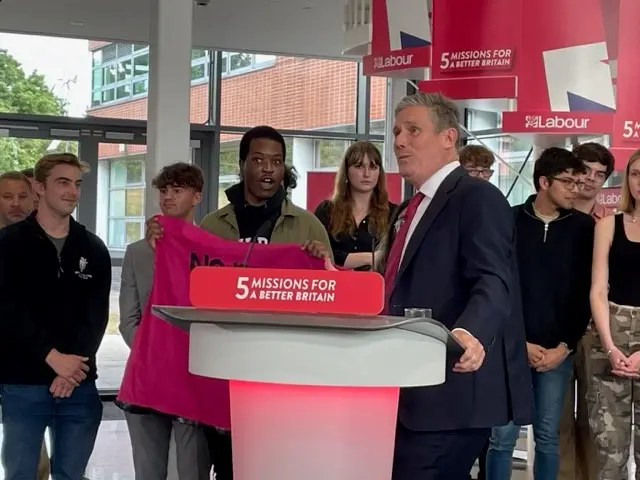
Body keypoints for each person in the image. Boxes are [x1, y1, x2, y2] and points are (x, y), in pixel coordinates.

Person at [145, 125, 333, 476]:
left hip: (285, 374)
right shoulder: (213, 226)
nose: (268, 169)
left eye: (276, 162)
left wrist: (324, 263)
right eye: (259, 160)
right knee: (229, 466)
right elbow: (189, 290)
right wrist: (163, 238)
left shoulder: (307, 227)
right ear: (243, 163)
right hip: (227, 374)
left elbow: (330, 296)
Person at [378, 92, 531, 480]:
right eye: (397, 131)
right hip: (411, 393)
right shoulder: (411, 207)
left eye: (413, 130)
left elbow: (493, 279)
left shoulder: (476, 197)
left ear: (449, 138)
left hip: (450, 394)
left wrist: (470, 331)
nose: (399, 141)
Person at [0, 153, 111, 480]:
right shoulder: (8, 245)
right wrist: (51, 357)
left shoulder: (93, 248)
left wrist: (71, 368)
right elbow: (7, 312)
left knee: (71, 475)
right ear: (38, 187)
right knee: (21, 473)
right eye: (63, 182)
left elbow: (96, 319)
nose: (72, 191)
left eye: (77, 184)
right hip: (23, 384)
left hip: (79, 386)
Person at [486, 148, 595, 480]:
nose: (575, 189)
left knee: (548, 437)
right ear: (544, 182)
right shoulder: (511, 220)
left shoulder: (584, 227)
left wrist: (564, 346)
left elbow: (583, 295)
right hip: (510, 349)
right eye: (568, 182)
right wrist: (517, 343)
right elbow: (498, 286)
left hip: (557, 352)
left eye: (579, 182)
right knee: (501, 438)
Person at [119, 163, 212, 480]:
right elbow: (128, 317)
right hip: (147, 374)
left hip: (192, 374)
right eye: (163, 191)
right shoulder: (137, 252)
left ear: (196, 196)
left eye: (177, 190)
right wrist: (152, 350)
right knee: (147, 470)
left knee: (192, 468)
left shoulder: (209, 250)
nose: (168, 197)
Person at [558, 142, 614, 480]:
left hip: (597, 331)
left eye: (599, 174)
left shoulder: (607, 225)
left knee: (596, 419)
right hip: (557, 331)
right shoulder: (552, 220)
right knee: (558, 419)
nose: (590, 180)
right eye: (584, 170)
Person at [588, 149, 640, 479]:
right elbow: (597, 289)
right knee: (609, 447)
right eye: (635, 174)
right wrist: (610, 346)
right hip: (610, 333)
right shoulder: (609, 224)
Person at [458, 143, 497, 480]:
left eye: (486, 172)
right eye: (475, 172)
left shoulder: (494, 209)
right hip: (457, 329)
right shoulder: (452, 208)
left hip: (485, 330)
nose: (482, 178)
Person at [314, 141, 397, 270]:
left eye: (373, 167)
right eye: (359, 166)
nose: (366, 174)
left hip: (375, 287)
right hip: (334, 286)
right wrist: (372, 257)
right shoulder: (326, 210)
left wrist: (344, 259)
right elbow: (321, 256)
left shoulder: (393, 214)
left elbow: (393, 259)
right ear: (346, 171)